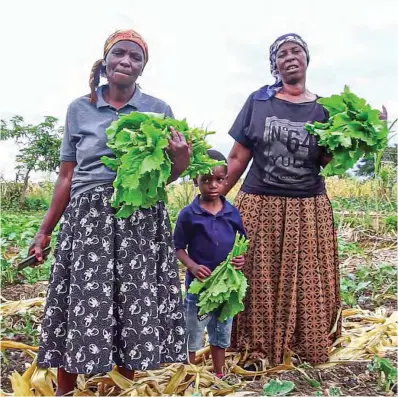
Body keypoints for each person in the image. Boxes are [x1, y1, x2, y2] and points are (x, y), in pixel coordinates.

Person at [29, 29, 189, 396]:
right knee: (82, 301)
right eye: (120, 53)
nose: (126, 61)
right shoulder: (79, 108)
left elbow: (164, 176)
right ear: (105, 60)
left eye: (136, 58)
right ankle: (65, 391)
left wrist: (180, 160)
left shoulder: (158, 110)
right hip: (89, 220)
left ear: (142, 68)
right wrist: (44, 230)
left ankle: (119, 390)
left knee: (131, 302)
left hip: (139, 217)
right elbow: (66, 175)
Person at [223, 33, 341, 365]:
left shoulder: (324, 109)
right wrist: (216, 199)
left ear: (306, 59)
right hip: (260, 203)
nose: (290, 57)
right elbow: (237, 157)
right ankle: (255, 347)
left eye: (296, 51)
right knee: (257, 276)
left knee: (307, 277)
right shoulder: (259, 102)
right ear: (274, 64)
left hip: (308, 206)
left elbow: (328, 160)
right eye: (282, 53)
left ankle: (303, 345)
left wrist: (364, 136)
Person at [173, 150, 246, 377]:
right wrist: (192, 266)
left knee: (221, 330)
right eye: (206, 180)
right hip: (199, 286)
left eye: (218, 179)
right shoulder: (188, 214)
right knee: (193, 331)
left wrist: (241, 258)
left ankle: (219, 373)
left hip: (226, 287)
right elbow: (178, 248)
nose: (212, 185)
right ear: (196, 181)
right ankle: (188, 375)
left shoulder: (232, 212)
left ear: (225, 180)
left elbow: (242, 241)